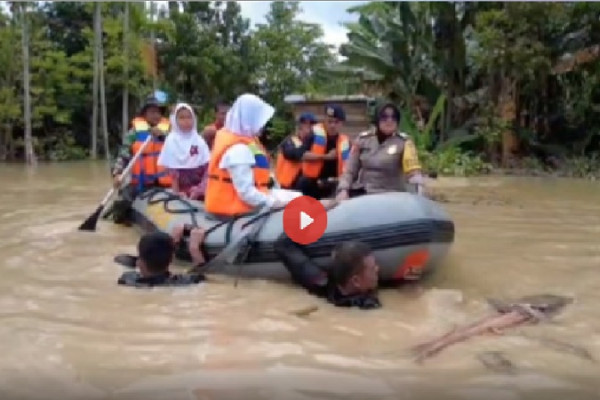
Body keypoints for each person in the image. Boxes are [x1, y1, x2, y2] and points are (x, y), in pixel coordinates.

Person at [204, 93, 299, 218]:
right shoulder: (238, 149)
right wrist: (273, 203)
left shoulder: (247, 140)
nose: (263, 125)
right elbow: (246, 193)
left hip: (252, 197)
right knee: (297, 201)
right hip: (233, 208)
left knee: (297, 196)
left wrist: (272, 185)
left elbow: (259, 173)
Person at [335, 102, 426, 201]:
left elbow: (413, 174)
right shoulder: (363, 139)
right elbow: (349, 170)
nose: (389, 120)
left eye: (393, 117)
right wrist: (343, 190)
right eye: (384, 117)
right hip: (363, 193)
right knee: (325, 206)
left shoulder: (404, 143)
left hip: (391, 196)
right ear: (377, 119)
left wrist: (419, 194)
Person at [274, 239, 381, 309]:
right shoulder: (368, 304)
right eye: (372, 269)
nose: (378, 269)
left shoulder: (318, 282)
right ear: (356, 281)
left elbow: (283, 245)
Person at [112, 94, 172, 195]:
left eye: (158, 112)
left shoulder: (169, 133)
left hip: (165, 184)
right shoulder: (134, 132)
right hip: (141, 184)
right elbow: (123, 155)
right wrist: (117, 174)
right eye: (152, 112)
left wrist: (163, 137)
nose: (156, 115)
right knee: (123, 197)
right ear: (144, 114)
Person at [118, 226, 207, 288]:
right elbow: (205, 275)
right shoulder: (186, 281)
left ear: (139, 262)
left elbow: (121, 258)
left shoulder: (127, 279)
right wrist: (194, 248)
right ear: (172, 259)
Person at [295, 104, 351, 199]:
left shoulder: (345, 141)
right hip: (311, 184)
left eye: (336, 122)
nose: (332, 125)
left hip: (333, 185)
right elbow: (302, 154)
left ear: (342, 123)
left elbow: (350, 167)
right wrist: (326, 156)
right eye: (329, 122)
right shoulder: (314, 133)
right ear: (325, 120)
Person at [157, 103, 210, 200]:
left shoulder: (199, 141)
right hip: (179, 191)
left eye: (189, 117)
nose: (186, 121)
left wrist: (199, 190)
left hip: (200, 190)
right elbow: (172, 172)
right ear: (175, 120)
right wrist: (177, 194)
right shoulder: (171, 140)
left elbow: (208, 169)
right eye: (181, 118)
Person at [274, 112, 326, 190]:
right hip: (283, 186)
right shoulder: (290, 141)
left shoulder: (310, 143)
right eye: (306, 123)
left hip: (298, 186)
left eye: (312, 124)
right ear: (300, 125)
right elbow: (297, 154)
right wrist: (326, 157)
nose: (309, 126)